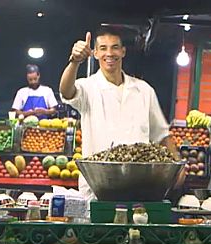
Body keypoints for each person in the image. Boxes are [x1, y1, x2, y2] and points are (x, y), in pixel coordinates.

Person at [59, 28, 178, 199]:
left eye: (115, 47)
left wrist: (178, 166)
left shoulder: (144, 90)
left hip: (140, 187)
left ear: (123, 52)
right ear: (95, 53)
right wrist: (74, 62)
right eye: (103, 48)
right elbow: (66, 91)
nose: (109, 53)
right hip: (97, 188)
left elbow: (161, 134)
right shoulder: (88, 87)